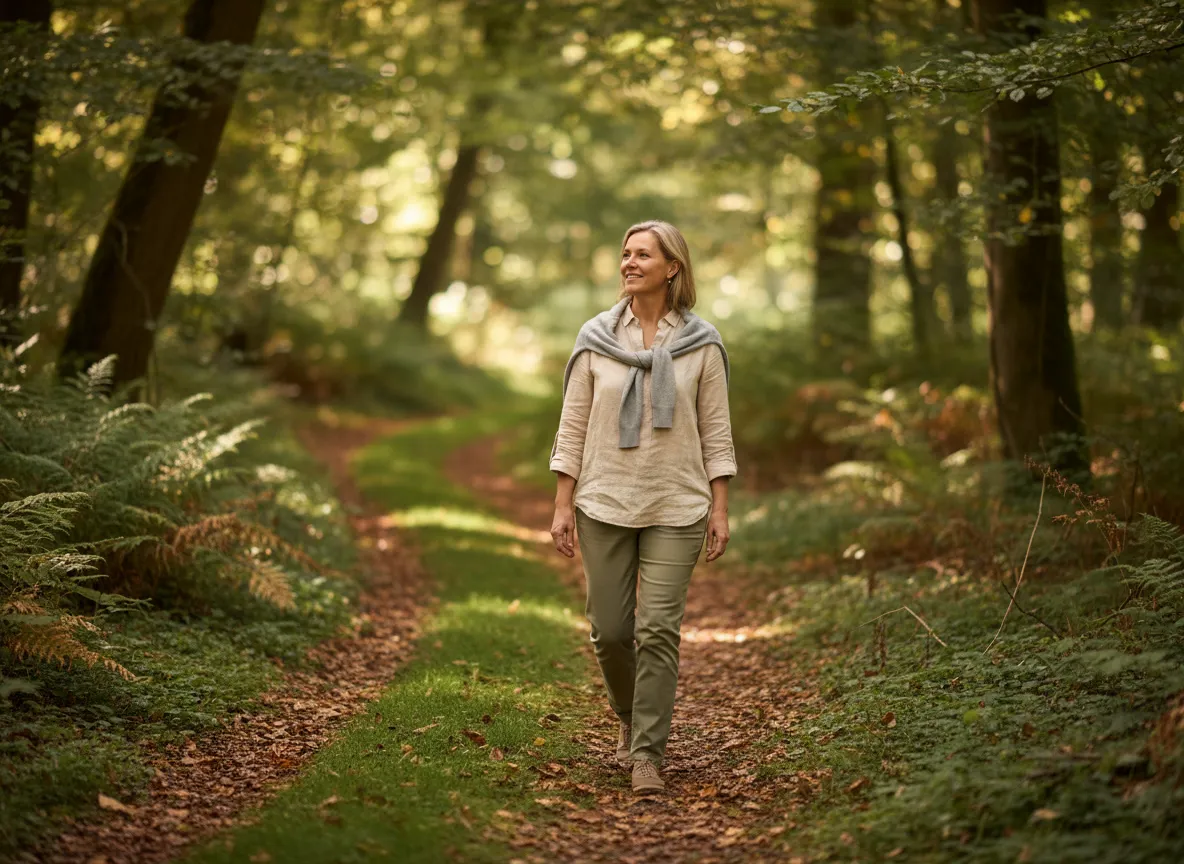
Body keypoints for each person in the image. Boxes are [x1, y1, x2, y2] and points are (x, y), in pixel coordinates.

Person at [548, 220, 737, 794]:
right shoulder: (596, 337)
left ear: (672, 268)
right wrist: (562, 504)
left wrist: (720, 508)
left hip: (677, 504)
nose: (629, 263)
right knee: (609, 631)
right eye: (625, 254)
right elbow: (572, 424)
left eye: (643, 255)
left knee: (657, 630)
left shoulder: (702, 343)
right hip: (603, 499)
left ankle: (647, 754)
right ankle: (631, 717)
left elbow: (716, 430)